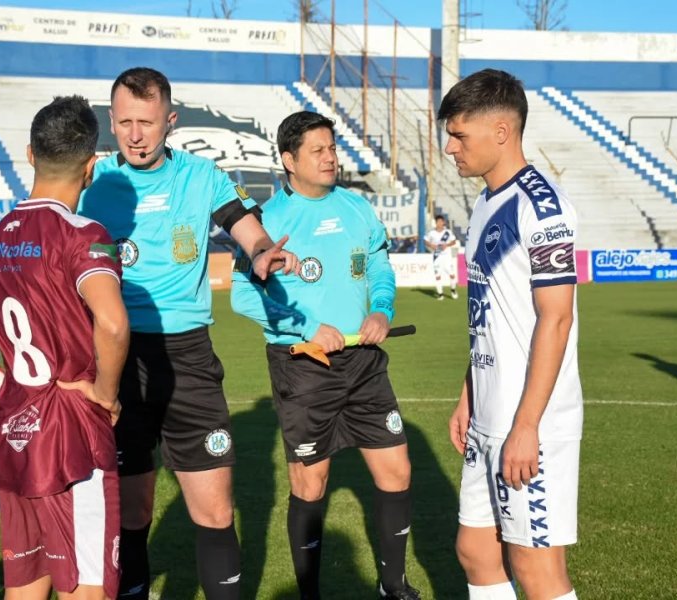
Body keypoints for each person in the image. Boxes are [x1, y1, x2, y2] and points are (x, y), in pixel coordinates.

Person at [78, 67, 298, 600]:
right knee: (133, 510)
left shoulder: (203, 176)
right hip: (117, 356)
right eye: (125, 121)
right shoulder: (93, 182)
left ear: (170, 121)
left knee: (216, 509)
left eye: (147, 123)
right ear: (112, 120)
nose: (135, 134)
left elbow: (246, 228)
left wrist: (264, 251)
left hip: (189, 357)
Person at [0, 95, 129, 600]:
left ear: (30, 154)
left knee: (26, 582)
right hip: (72, 431)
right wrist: (106, 393)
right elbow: (111, 321)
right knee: (88, 586)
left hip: (15, 426)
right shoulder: (86, 235)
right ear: (90, 166)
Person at [231, 110, 421, 600]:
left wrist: (380, 309)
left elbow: (379, 266)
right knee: (311, 484)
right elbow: (244, 296)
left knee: (397, 470)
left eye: (332, 148)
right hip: (304, 367)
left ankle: (393, 584)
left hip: (365, 364)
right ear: (288, 160)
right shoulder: (266, 222)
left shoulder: (357, 209)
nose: (330, 157)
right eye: (318, 150)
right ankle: (310, 593)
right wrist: (310, 328)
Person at [441, 69, 582, 600]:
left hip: (530, 420)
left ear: (501, 131)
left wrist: (528, 427)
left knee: (536, 567)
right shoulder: (484, 202)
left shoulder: (543, 208)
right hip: (489, 411)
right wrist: (467, 396)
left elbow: (557, 318)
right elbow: (488, 314)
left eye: (459, 135)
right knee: (476, 551)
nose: (449, 147)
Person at [423, 214, 460, 300]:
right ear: (435, 223)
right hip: (437, 256)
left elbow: (454, 241)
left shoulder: (448, 232)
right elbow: (425, 240)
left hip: (446, 257)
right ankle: (440, 294)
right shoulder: (431, 233)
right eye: (438, 222)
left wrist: (447, 245)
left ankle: (453, 290)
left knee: (452, 275)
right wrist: (431, 245)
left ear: (443, 222)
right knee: (438, 275)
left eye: (441, 221)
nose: (439, 223)